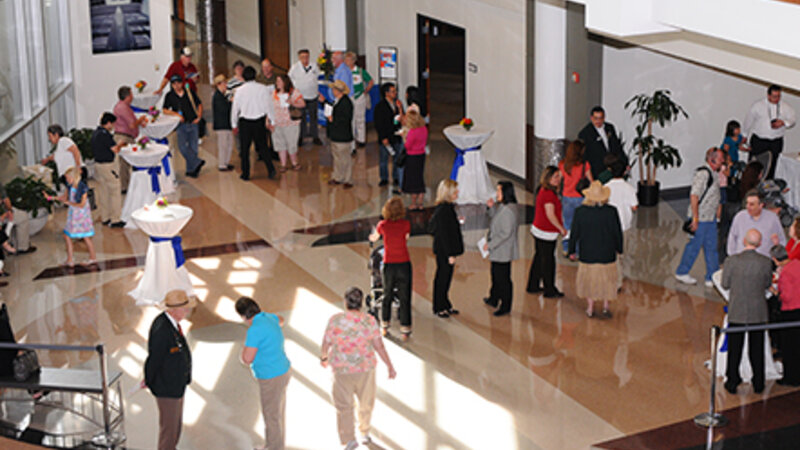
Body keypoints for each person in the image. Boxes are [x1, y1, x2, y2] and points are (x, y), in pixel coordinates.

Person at [320, 287, 396, 450]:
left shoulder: (335, 320)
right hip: (365, 369)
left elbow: (326, 342)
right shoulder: (369, 320)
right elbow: (379, 346)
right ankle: (364, 432)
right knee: (366, 402)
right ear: (361, 303)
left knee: (343, 405)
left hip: (341, 370)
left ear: (345, 301)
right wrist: (389, 365)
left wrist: (324, 357)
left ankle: (348, 439)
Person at [721, 229, 773, 394]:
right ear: (759, 243)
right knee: (756, 348)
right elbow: (767, 283)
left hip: (737, 309)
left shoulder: (732, 261)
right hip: (757, 311)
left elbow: (725, 283)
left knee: (735, 349)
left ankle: (732, 381)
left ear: (744, 241)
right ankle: (758, 382)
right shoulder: (765, 262)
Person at [236, 297, 291, 450]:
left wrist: (243, 352)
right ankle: (278, 442)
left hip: (270, 376)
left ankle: (273, 447)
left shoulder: (254, 330)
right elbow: (281, 320)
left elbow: (247, 359)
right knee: (278, 410)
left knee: (271, 415)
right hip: (284, 369)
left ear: (243, 316)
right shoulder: (268, 317)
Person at [143, 290, 195, 450]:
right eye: (184, 308)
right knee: (169, 431)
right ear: (172, 310)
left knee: (175, 429)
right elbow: (154, 360)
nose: (187, 311)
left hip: (176, 386)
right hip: (167, 389)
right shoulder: (162, 330)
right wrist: (151, 382)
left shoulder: (172, 325)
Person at [568, 181, 623, 318]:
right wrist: (619, 248)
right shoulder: (611, 211)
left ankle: (590, 307)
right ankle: (605, 306)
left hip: (588, 253)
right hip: (607, 253)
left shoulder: (580, 212)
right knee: (607, 281)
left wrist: (571, 251)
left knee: (588, 281)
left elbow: (574, 233)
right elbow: (617, 232)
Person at [675, 148, 724, 286]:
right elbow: (694, 195)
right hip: (701, 219)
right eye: (721, 159)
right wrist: (695, 219)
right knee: (694, 247)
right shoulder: (703, 174)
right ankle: (682, 272)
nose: (723, 162)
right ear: (712, 159)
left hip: (710, 218)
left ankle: (712, 275)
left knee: (712, 247)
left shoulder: (714, 173)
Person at [369, 197, 412, 340]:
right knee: (404, 297)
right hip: (404, 263)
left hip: (389, 264)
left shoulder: (382, 225)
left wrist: (371, 236)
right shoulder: (406, 224)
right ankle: (405, 329)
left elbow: (374, 238)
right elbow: (406, 238)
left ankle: (385, 326)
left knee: (387, 295)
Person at [230, 66, 276, 181]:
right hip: (259, 121)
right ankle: (271, 170)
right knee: (263, 147)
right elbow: (268, 106)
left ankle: (245, 174)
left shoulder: (239, 91)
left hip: (245, 122)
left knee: (245, 150)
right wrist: (272, 120)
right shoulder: (263, 88)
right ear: (255, 76)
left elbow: (235, 109)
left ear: (244, 77)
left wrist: (234, 124)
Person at [527, 167, 566, 298]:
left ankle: (533, 285)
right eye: (555, 177)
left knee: (539, 257)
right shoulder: (549, 194)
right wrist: (561, 228)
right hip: (546, 231)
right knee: (548, 261)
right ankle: (550, 289)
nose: (558, 179)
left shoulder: (543, 190)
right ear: (548, 178)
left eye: (559, 176)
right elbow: (550, 214)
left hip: (538, 228)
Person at [743, 84, 796, 179]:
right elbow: (748, 121)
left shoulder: (785, 107)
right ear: (768, 95)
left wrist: (783, 122)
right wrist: (745, 135)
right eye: (774, 96)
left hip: (776, 142)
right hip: (759, 141)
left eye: (779, 96)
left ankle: (767, 189)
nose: (777, 99)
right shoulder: (758, 106)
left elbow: (793, 119)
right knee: (754, 167)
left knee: (772, 167)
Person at [428, 179, 464, 318]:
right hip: (445, 251)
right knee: (442, 278)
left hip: (445, 250)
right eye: (455, 191)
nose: (458, 193)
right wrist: (450, 254)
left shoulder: (447, 208)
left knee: (446, 277)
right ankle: (439, 306)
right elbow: (443, 234)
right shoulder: (444, 210)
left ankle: (445, 303)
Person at [483, 181, 520, 316]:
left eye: (499, 191)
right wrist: (491, 208)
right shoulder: (504, 206)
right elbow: (496, 219)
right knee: (495, 275)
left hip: (503, 251)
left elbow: (506, 233)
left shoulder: (508, 211)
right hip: (499, 250)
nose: (496, 193)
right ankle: (494, 298)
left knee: (503, 279)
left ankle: (505, 305)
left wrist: (490, 245)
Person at [162, 75, 205, 178]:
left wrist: (199, 116)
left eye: (178, 83)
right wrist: (176, 115)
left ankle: (191, 170)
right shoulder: (169, 96)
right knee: (182, 147)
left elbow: (199, 104)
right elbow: (165, 110)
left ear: (182, 83)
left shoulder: (189, 92)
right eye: (174, 84)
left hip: (193, 123)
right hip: (181, 125)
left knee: (193, 148)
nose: (176, 86)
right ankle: (197, 162)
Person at [606, 157, 638, 289]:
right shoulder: (629, 188)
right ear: (625, 171)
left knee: (611, 252)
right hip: (624, 224)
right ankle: (619, 279)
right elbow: (634, 206)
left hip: (609, 225)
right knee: (621, 252)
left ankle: (613, 276)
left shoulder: (606, 187)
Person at [727, 189, 786, 257]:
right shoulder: (739, 217)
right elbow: (732, 239)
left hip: (765, 262)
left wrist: (777, 247)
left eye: (751, 204)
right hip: (742, 262)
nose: (747, 207)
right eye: (747, 203)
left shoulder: (772, 218)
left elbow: (782, 241)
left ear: (761, 205)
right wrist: (733, 257)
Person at [91, 112, 125, 227]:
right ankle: (115, 219)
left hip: (98, 166)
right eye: (113, 124)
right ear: (109, 123)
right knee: (115, 191)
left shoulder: (95, 133)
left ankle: (105, 217)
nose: (114, 126)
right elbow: (115, 149)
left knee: (103, 192)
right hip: (108, 166)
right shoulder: (105, 135)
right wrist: (120, 144)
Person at [558, 140, 593, 254]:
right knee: (579, 225)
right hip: (580, 197)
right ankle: (577, 250)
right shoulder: (585, 165)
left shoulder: (563, 165)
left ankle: (566, 247)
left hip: (566, 197)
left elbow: (559, 180)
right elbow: (591, 181)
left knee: (567, 224)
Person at [58, 167, 96, 267]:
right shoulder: (70, 186)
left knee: (86, 237)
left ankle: (92, 258)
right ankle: (70, 259)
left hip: (81, 216)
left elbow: (81, 204)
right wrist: (50, 197)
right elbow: (64, 198)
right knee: (67, 236)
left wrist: (69, 203)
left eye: (68, 178)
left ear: (73, 177)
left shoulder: (82, 188)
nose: (67, 180)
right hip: (73, 215)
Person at [112, 86, 148, 190]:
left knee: (127, 162)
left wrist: (139, 123)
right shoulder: (123, 108)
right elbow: (132, 125)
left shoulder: (124, 106)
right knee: (125, 163)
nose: (132, 96)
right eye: (131, 94)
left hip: (127, 136)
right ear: (127, 96)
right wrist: (140, 119)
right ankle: (125, 186)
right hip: (123, 137)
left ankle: (128, 185)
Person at [321, 80, 355, 188]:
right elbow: (331, 109)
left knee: (345, 158)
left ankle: (347, 179)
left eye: (334, 89)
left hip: (343, 135)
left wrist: (332, 119)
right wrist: (324, 102)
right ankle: (338, 177)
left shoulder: (346, 103)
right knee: (337, 157)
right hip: (336, 134)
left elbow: (345, 119)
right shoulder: (337, 100)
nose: (332, 91)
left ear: (338, 91)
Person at [578, 106, 626, 179]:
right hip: (597, 170)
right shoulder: (585, 133)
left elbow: (617, 146)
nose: (599, 121)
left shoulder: (610, 128)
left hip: (613, 168)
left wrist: (624, 162)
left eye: (601, 118)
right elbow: (585, 156)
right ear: (591, 118)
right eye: (596, 118)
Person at [269, 74, 306, 172]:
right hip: (277, 123)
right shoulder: (273, 93)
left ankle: (294, 163)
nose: (278, 83)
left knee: (291, 143)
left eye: (280, 81)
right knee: (280, 144)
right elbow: (269, 108)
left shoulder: (293, 92)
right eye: (277, 81)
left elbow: (302, 104)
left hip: (291, 123)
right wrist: (268, 121)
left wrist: (292, 102)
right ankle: (283, 164)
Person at [288, 49, 322, 145]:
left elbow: (318, 76)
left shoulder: (314, 66)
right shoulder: (294, 68)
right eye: (302, 57)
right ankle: (300, 137)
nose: (305, 59)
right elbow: (289, 79)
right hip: (300, 97)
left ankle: (315, 136)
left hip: (313, 96)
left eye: (306, 57)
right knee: (301, 118)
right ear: (299, 58)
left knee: (313, 117)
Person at [373, 82, 404, 188]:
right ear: (386, 93)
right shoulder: (380, 107)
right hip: (386, 136)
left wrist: (400, 109)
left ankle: (395, 177)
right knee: (384, 159)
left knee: (397, 158)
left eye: (395, 91)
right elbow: (378, 124)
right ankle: (384, 178)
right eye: (392, 91)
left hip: (397, 136)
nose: (395, 93)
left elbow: (401, 119)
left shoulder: (397, 104)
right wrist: (383, 137)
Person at [777, 245, 800, 386]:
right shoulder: (797, 264)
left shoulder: (785, 272)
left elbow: (786, 296)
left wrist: (777, 293)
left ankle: (790, 377)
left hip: (790, 312)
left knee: (789, 347)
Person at [344, 52, 373, 147]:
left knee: (360, 118)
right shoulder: (344, 72)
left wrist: (365, 91)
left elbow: (370, 81)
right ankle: (351, 141)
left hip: (359, 96)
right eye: (346, 60)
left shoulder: (360, 71)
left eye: (349, 60)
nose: (347, 62)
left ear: (353, 61)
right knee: (350, 119)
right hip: (348, 97)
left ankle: (361, 139)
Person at [402, 111, 427, 210]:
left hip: (412, 156)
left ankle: (413, 203)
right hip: (421, 155)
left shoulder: (413, 132)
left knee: (413, 180)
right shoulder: (424, 129)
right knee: (419, 177)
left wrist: (404, 137)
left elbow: (407, 146)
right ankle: (421, 203)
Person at [212, 74, 234, 171]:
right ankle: (222, 164)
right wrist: (231, 103)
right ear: (218, 84)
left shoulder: (223, 95)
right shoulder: (217, 96)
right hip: (222, 125)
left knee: (229, 144)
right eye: (224, 83)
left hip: (226, 124)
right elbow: (223, 109)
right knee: (223, 145)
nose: (226, 85)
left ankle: (226, 162)